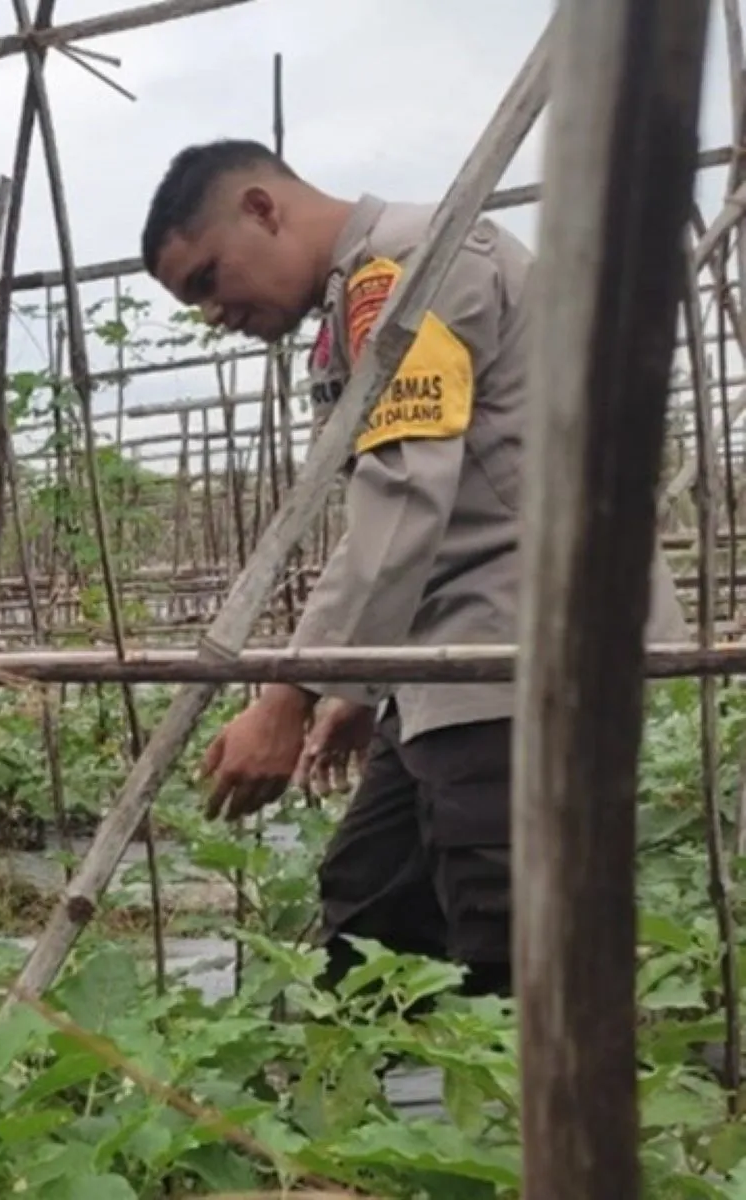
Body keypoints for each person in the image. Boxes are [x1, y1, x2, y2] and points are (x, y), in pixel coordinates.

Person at [138, 139, 688, 1000]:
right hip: (445, 657)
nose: (212, 311)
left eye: (207, 279)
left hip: (520, 649)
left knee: (509, 942)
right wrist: (361, 690)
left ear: (260, 208)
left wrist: (294, 692)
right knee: (370, 904)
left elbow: (403, 498)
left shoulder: (407, 269)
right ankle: (364, 1126)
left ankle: (531, 1128)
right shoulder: (361, 295)